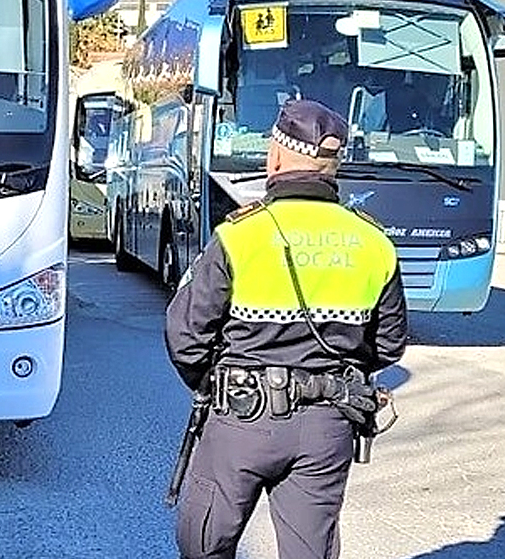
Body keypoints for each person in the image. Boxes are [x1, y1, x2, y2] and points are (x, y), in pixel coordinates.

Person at [165, 98, 408, 559]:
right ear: (334, 167)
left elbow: (185, 334)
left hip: (241, 417)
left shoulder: (240, 235)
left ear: (274, 157)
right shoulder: (374, 242)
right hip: (329, 425)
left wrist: (216, 385)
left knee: (204, 543)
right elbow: (390, 344)